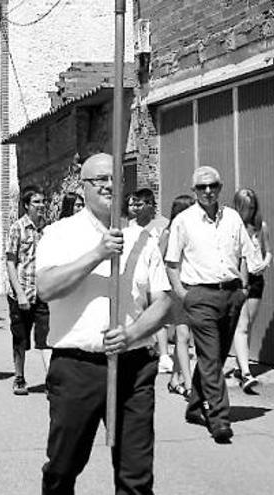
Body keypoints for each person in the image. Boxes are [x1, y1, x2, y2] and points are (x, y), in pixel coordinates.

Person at [36, 153, 171, 493]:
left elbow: (164, 302)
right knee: (63, 468)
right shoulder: (59, 234)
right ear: (83, 188)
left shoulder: (144, 238)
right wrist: (97, 254)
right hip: (77, 368)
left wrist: (131, 334)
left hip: (134, 366)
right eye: (100, 180)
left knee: (136, 475)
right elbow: (47, 287)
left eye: (115, 179)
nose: (110, 185)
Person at [164, 166, 258, 444]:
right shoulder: (183, 220)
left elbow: (243, 254)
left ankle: (195, 405)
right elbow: (171, 262)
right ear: (194, 191)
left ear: (220, 186)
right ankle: (219, 418)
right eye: (202, 187)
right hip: (200, 296)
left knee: (215, 356)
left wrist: (242, 288)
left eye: (213, 185)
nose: (208, 191)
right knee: (210, 357)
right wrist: (184, 295)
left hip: (230, 294)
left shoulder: (232, 217)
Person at [6, 185, 50, 396]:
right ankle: (19, 377)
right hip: (22, 292)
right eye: (36, 202)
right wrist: (20, 293)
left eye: (42, 201)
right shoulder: (18, 228)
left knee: (47, 338)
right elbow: (10, 262)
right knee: (20, 338)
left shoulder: (48, 229)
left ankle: (51, 380)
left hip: (43, 292)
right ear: (26, 206)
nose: (41, 206)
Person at [230, 188, 272, 393]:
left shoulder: (260, 226)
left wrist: (265, 262)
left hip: (257, 278)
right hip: (238, 280)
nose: (249, 212)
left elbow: (268, 251)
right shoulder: (231, 227)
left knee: (249, 325)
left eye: (252, 208)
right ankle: (246, 373)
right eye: (246, 208)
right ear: (238, 207)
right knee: (242, 325)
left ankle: (241, 366)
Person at [128, 188, 174, 376]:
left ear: (150, 204)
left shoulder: (162, 224)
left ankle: (164, 355)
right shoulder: (131, 225)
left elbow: (164, 252)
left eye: (139, 204)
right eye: (134, 205)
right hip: (139, 276)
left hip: (160, 275)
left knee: (158, 315)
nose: (135, 209)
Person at [159, 195, 196, 399]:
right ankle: (189, 385)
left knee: (186, 337)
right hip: (177, 287)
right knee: (182, 336)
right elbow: (158, 259)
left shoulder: (195, 230)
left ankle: (175, 380)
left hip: (195, 286)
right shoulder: (169, 232)